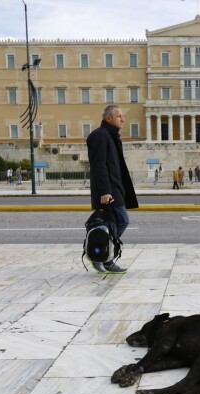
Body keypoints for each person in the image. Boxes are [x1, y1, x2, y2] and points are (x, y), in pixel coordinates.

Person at [86, 104, 138, 274]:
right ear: (108, 118)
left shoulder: (111, 136)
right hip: (109, 189)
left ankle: (101, 254)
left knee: (113, 223)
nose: (123, 119)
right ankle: (100, 253)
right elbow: (98, 166)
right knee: (122, 220)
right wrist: (105, 191)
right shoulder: (99, 136)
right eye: (119, 116)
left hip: (115, 187)